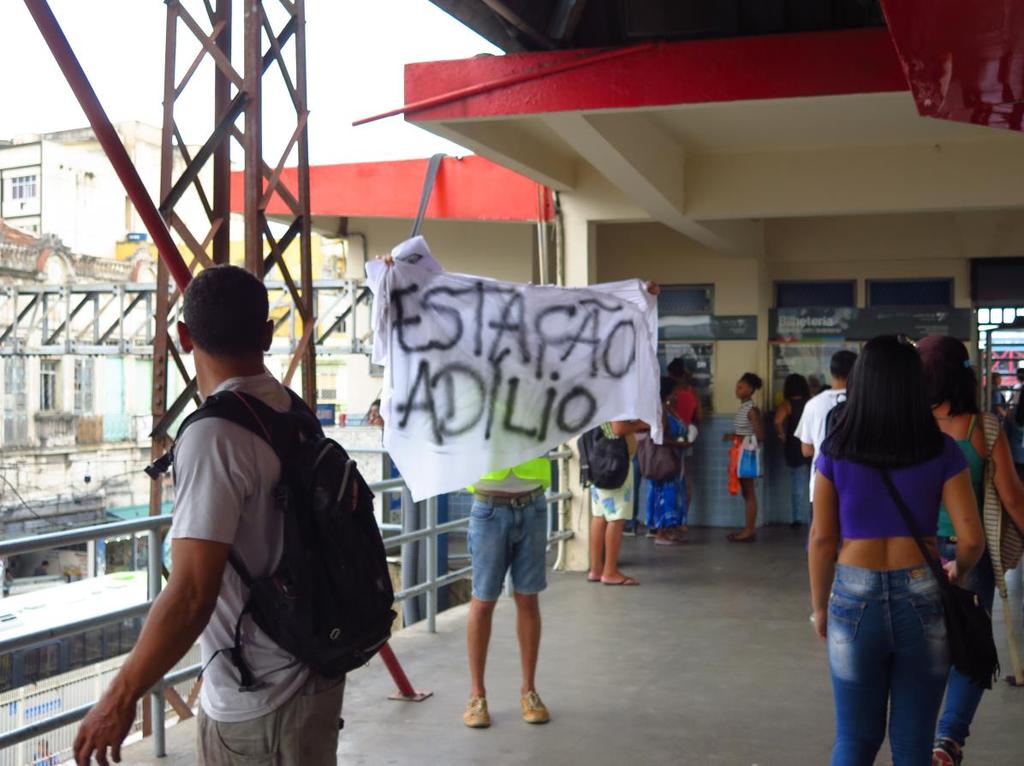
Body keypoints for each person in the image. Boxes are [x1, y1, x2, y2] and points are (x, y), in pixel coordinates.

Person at [74, 266, 345, 766]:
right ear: (267, 334)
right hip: (313, 675)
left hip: (259, 702)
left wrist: (119, 696)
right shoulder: (290, 409)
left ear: (183, 337)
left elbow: (193, 592)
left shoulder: (213, 435)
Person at [808, 335, 984, 766]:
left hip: (852, 596)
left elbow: (822, 539)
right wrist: (957, 572)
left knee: (854, 738)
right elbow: (972, 537)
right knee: (912, 744)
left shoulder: (835, 448)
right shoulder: (940, 448)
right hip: (922, 595)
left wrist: (820, 609)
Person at [917, 335, 1024, 765]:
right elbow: (1013, 498)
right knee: (972, 648)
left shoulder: (908, 425)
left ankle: (915, 736)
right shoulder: (984, 427)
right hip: (970, 550)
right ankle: (948, 739)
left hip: (915, 552)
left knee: (922, 648)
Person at [463, 459, 552, 729]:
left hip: (533, 504)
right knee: (483, 601)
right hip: (489, 505)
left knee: (528, 598)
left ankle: (529, 691)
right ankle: (476, 695)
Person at [588, 420, 649, 584]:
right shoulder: (616, 396)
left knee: (599, 516)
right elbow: (618, 428)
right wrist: (641, 424)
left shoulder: (601, 396)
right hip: (616, 464)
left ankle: (596, 569)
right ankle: (609, 572)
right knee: (616, 518)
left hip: (599, 461)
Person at [795, 350, 858, 506]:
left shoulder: (813, 405)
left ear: (831, 371)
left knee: (821, 530)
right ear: (858, 371)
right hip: (857, 486)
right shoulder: (866, 403)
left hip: (821, 486)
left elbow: (806, 450)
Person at [644, 378, 690, 546]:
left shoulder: (668, 410)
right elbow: (661, 437)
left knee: (673, 494)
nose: (677, 395)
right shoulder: (660, 411)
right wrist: (682, 443)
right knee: (663, 495)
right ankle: (661, 532)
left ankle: (669, 531)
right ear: (667, 393)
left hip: (673, 460)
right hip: (664, 461)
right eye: (675, 392)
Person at [725, 373, 764, 543]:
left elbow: (760, 434)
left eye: (741, 387)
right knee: (746, 492)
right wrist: (734, 435)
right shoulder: (743, 407)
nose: (737, 389)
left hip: (746, 454)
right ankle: (748, 528)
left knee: (749, 492)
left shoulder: (752, 410)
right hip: (740, 452)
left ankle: (749, 530)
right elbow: (745, 430)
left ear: (750, 390)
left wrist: (741, 439)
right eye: (737, 386)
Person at [774, 373, 812, 527]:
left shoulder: (787, 404)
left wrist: (781, 434)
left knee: (797, 482)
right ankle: (813, 517)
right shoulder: (811, 402)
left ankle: (798, 518)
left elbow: (777, 421)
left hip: (794, 446)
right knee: (814, 482)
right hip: (811, 444)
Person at [667, 359, 702, 515]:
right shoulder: (692, 392)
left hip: (669, 441)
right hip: (687, 439)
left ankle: (669, 520)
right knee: (685, 480)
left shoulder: (669, 393)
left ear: (670, 374)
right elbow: (700, 417)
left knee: (667, 481)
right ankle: (683, 518)